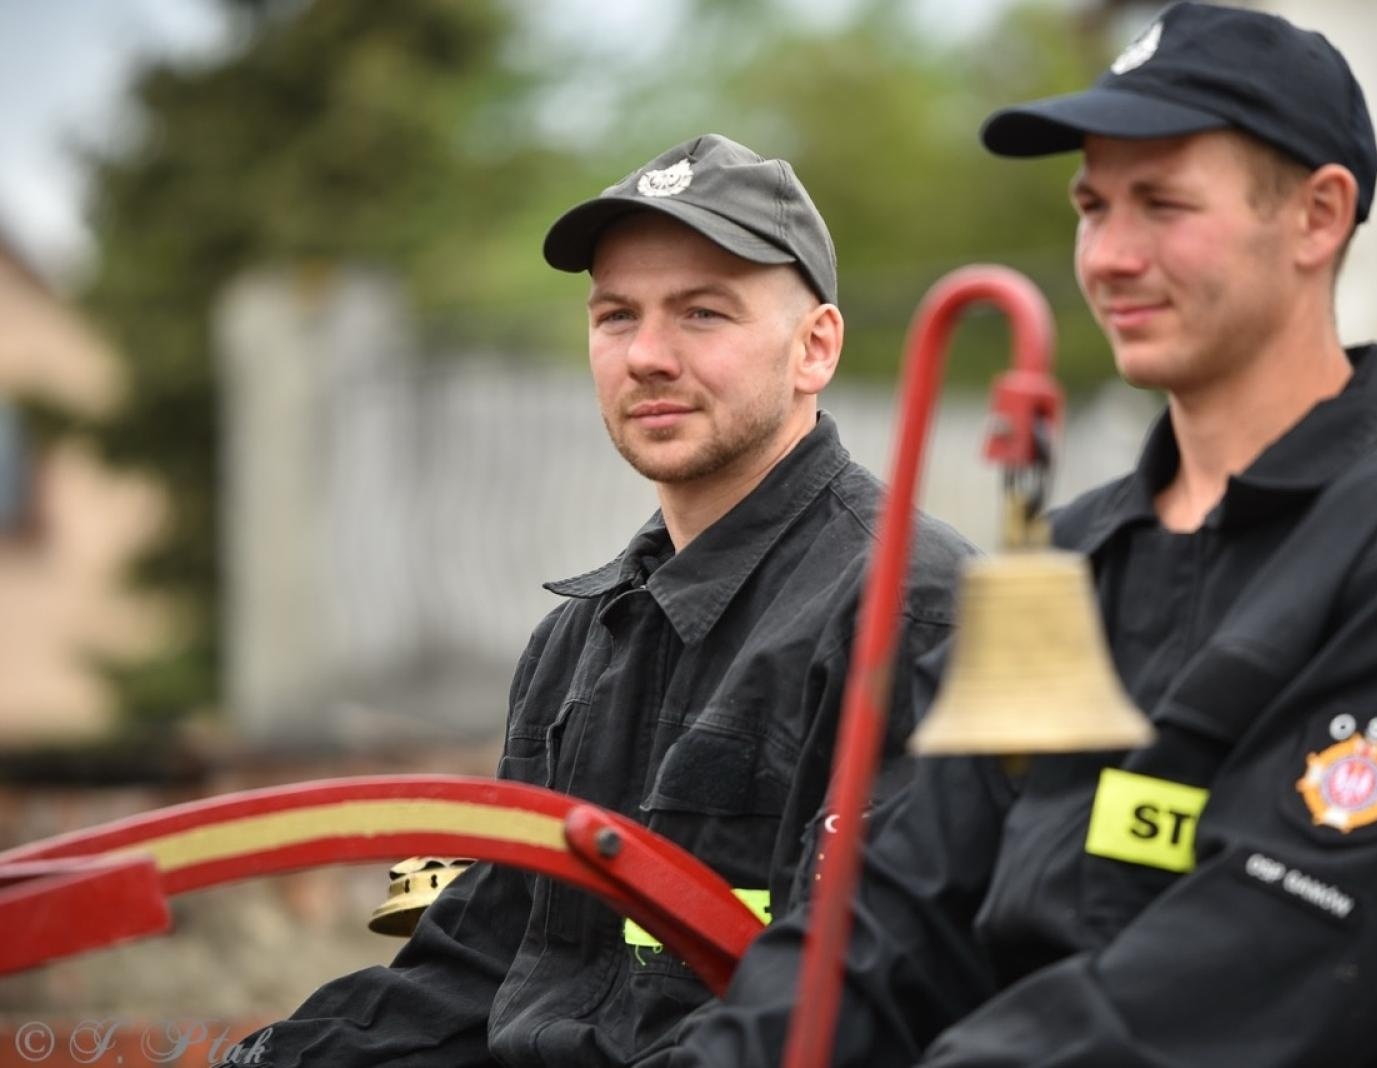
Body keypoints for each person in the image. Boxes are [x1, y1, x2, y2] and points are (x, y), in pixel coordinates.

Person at [656, 5, 1377, 1066]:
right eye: (1091, 205)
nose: (1107, 254)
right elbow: (891, 915)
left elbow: (1260, 968)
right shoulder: (1061, 566)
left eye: (1161, 204)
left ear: (1317, 217)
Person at [226, 134, 971, 1067]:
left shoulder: (911, 617)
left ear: (815, 347)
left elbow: (852, 1006)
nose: (647, 355)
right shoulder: (574, 644)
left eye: (703, 313)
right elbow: (477, 964)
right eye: (616, 316)